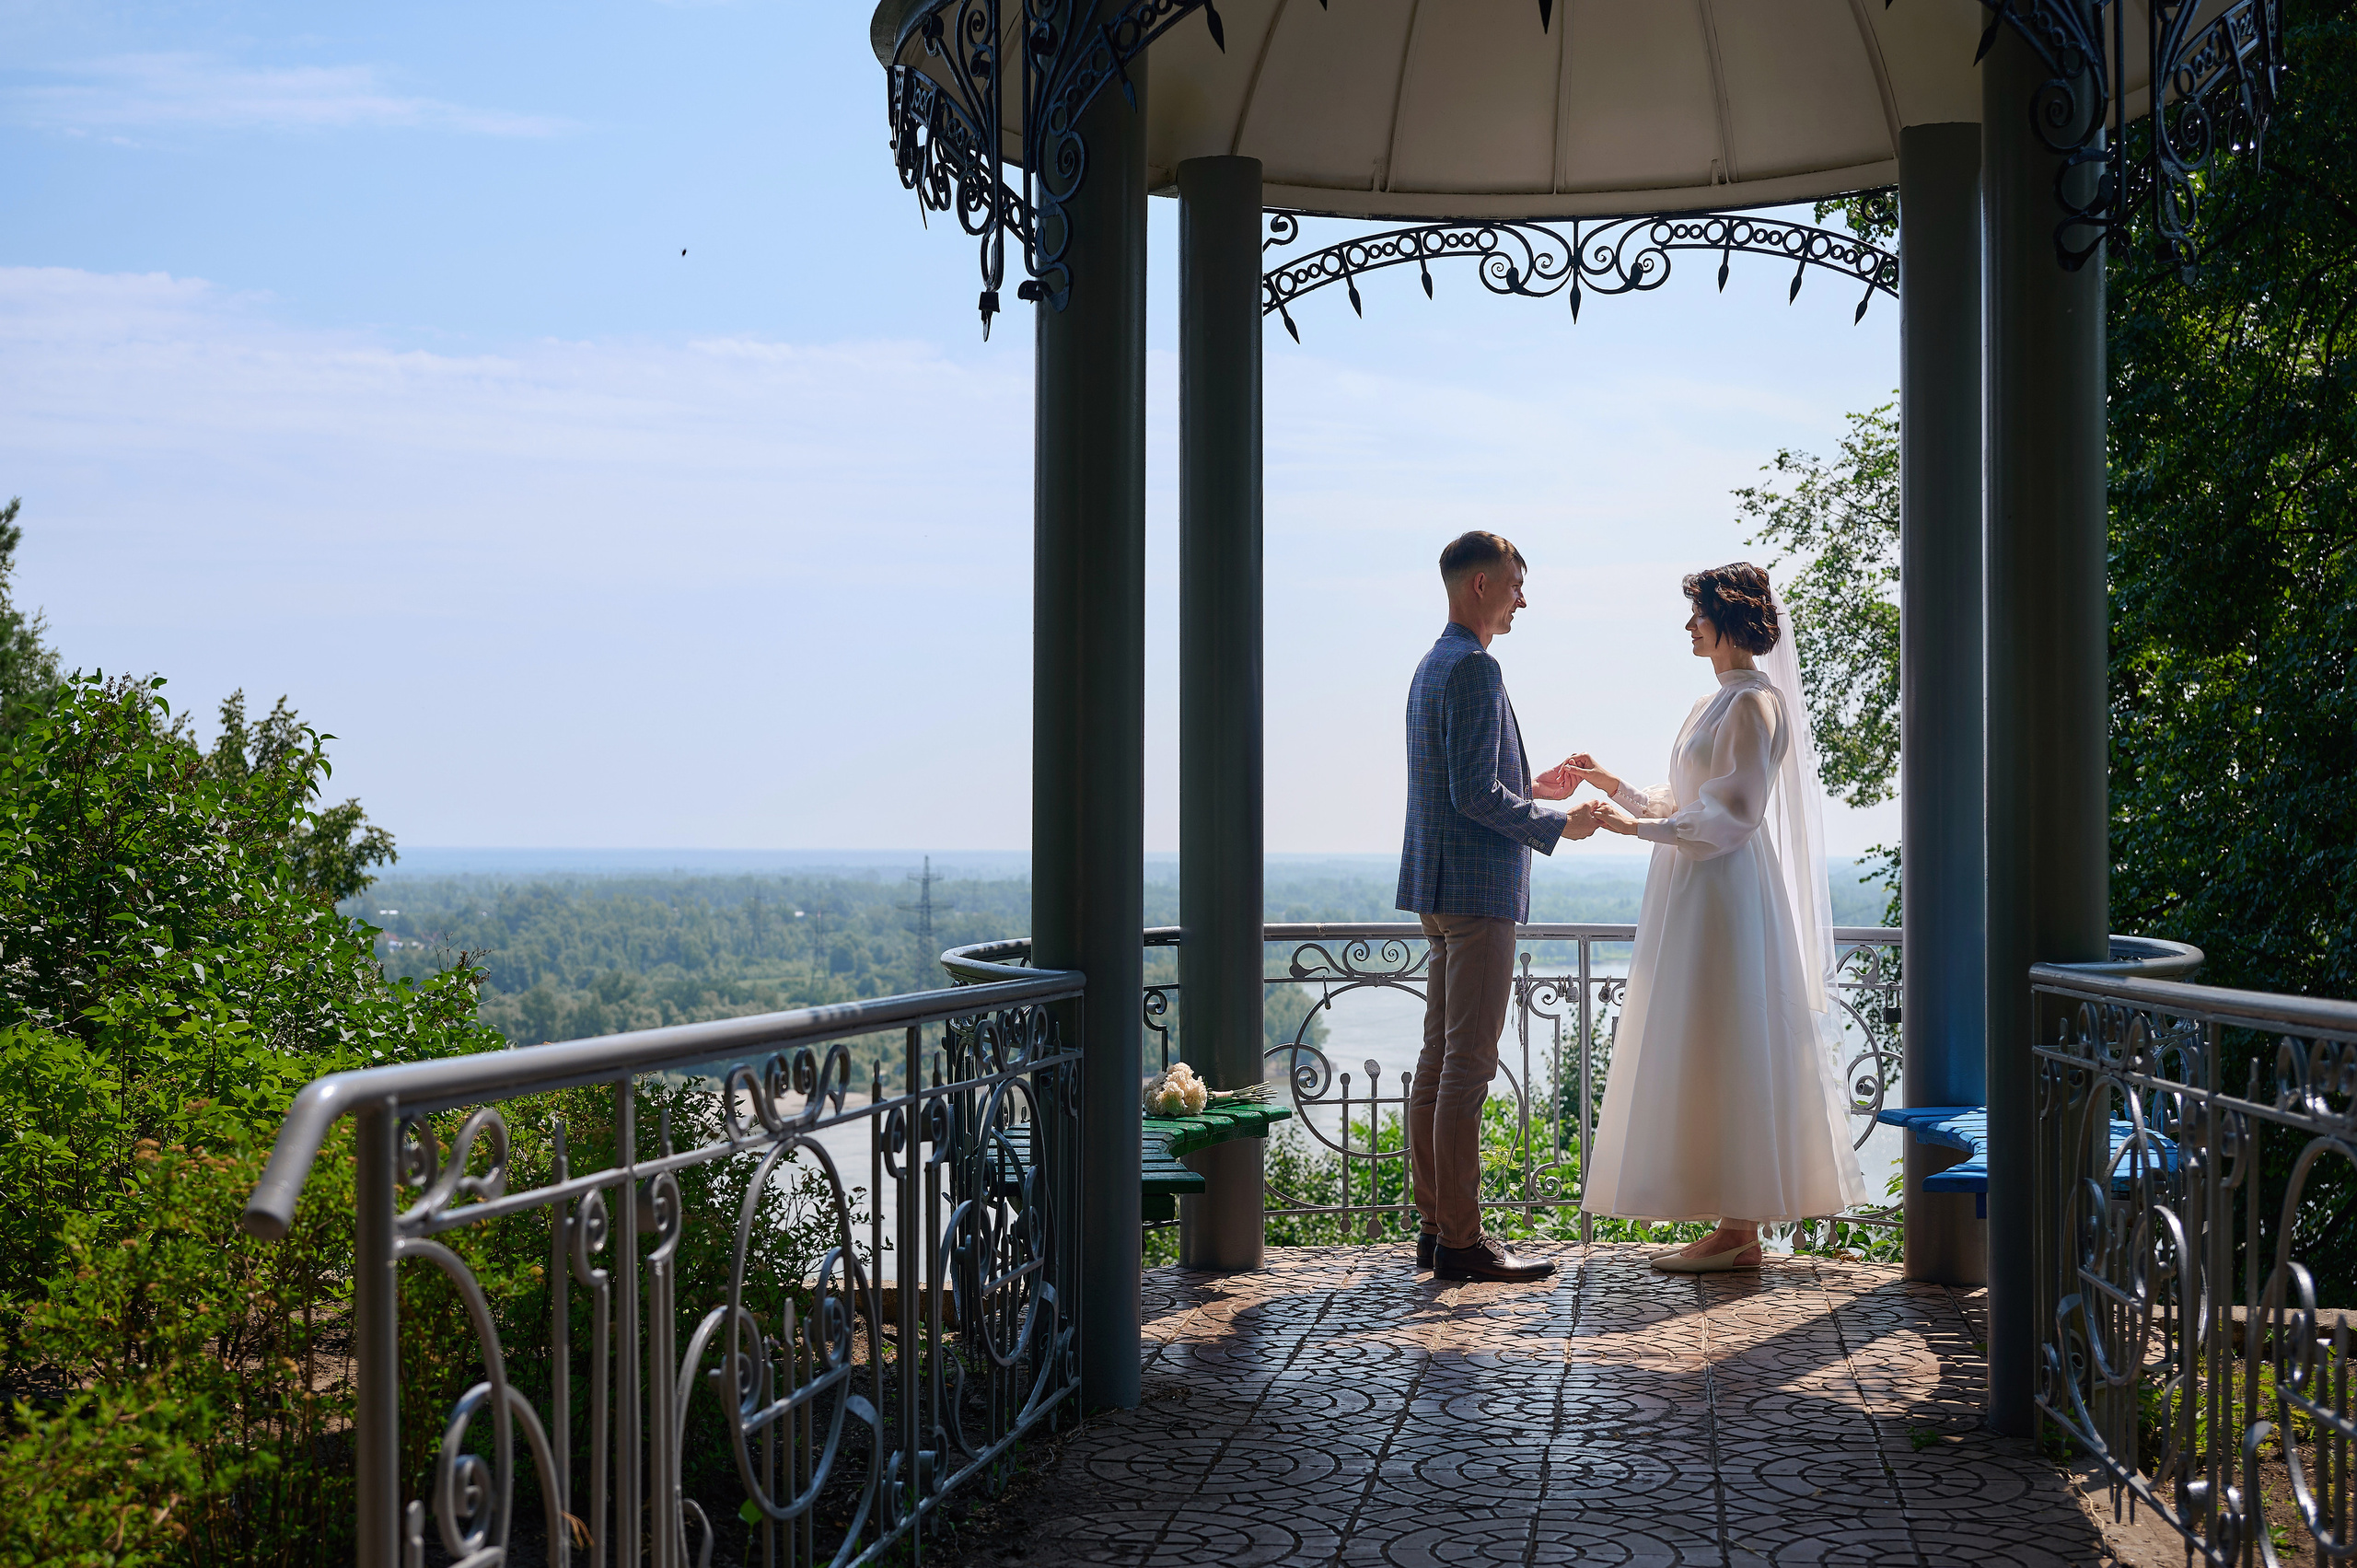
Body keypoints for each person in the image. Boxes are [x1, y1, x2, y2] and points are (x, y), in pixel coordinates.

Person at [1563, 562, 1867, 1272]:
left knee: (1732, 1031)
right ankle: (1733, 1226)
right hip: (1695, 888)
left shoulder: (1757, 704)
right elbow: (1684, 800)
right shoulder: (1712, 703)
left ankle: (1740, 1229)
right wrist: (1612, 786)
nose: (1688, 624)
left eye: (1697, 610)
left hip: (1726, 889)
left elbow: (1733, 815)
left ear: (1726, 617)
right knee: (1705, 1034)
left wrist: (1628, 830)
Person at [1397, 530, 1596, 1283]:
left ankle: (1435, 1224)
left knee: (1437, 1061)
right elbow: (1472, 794)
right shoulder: (1477, 669)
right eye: (1515, 583)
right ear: (1480, 585)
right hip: (1478, 896)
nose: (1522, 598)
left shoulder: (1432, 663)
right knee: (1467, 1068)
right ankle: (1461, 1240)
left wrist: (1532, 785)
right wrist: (1557, 823)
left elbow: (1467, 780)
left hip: (1438, 891)